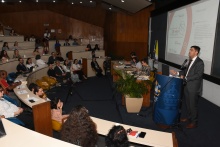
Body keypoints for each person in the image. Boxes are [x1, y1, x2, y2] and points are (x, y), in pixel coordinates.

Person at [170, 46, 204, 129]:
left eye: (191, 50)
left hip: (194, 88)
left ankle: (194, 122)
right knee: (188, 104)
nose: (189, 52)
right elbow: (185, 72)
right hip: (187, 86)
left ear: (196, 52)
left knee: (193, 105)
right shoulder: (189, 61)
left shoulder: (200, 62)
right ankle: (189, 117)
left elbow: (198, 75)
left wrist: (186, 78)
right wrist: (177, 73)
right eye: (189, 50)